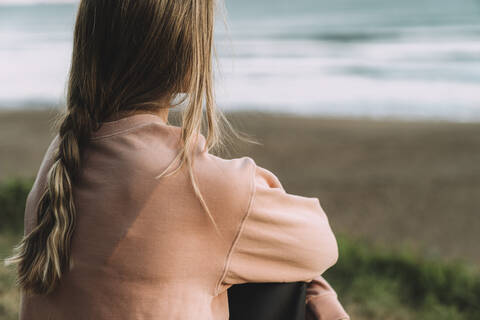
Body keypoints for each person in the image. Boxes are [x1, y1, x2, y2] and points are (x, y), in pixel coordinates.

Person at [4, 1, 349, 319]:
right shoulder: (197, 184)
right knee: (289, 281)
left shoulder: (62, 157)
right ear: (185, 53)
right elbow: (320, 245)